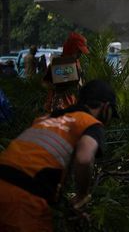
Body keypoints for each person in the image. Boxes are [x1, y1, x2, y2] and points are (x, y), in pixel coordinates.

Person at [0, 80, 118, 231]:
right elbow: (84, 159)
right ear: (106, 107)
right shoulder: (90, 123)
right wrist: (82, 196)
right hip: (24, 198)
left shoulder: (46, 119)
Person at [43, 32, 89, 113]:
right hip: (57, 107)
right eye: (78, 51)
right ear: (72, 48)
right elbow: (45, 83)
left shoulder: (77, 63)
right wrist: (57, 87)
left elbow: (80, 83)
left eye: (81, 52)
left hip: (73, 106)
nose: (80, 54)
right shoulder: (56, 64)